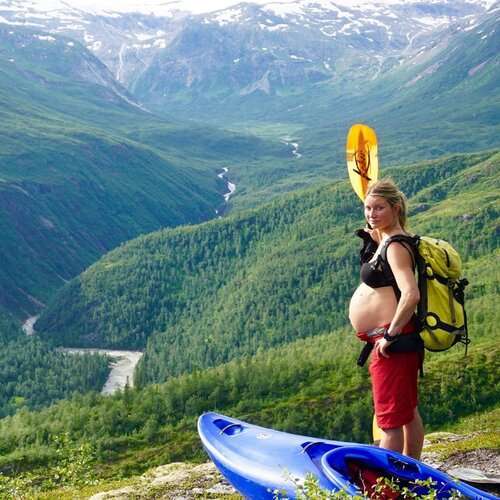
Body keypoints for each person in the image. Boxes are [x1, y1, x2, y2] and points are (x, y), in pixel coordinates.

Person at [349, 178, 425, 459]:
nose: (371, 214)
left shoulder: (394, 246)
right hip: (400, 338)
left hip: (392, 341)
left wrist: (390, 336)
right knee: (406, 411)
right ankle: (410, 472)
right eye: (368, 208)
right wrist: (373, 237)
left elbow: (411, 294)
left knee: (390, 422)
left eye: (379, 208)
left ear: (396, 208)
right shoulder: (390, 239)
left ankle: (386, 487)